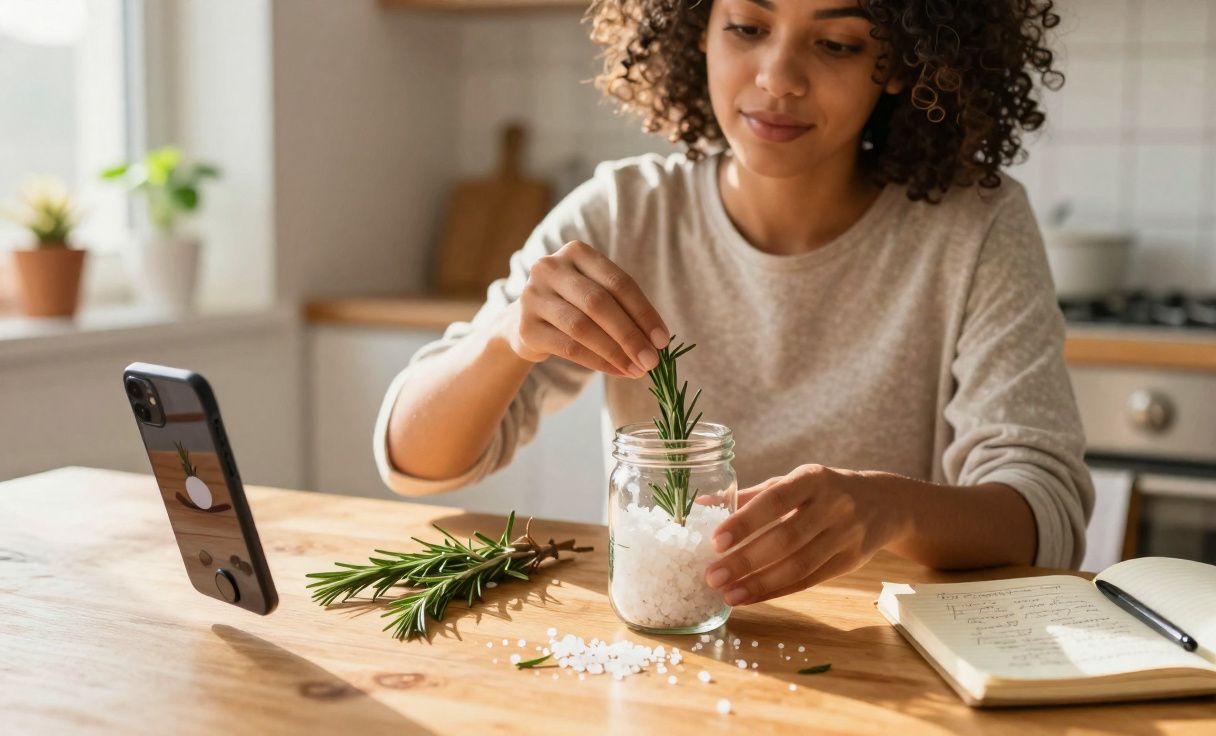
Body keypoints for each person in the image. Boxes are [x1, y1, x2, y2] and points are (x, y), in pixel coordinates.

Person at [375, 0, 1093, 608]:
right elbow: (416, 461)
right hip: (669, 634)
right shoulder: (622, 214)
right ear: (697, 31)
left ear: (902, 62)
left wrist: (890, 509)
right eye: (747, 28)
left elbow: (1046, 517)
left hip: (893, 662)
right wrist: (506, 337)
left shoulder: (977, 226)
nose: (778, 78)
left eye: (837, 44)